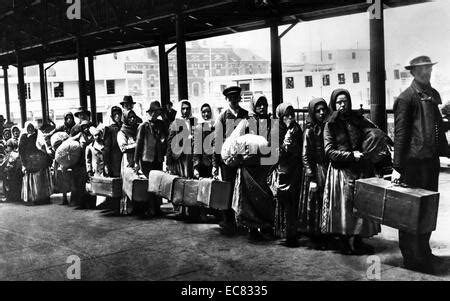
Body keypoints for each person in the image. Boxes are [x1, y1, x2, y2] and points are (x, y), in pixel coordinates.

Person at [392, 56, 449, 274]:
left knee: (428, 210)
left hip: (430, 162)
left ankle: (423, 251)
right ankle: (411, 257)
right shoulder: (406, 99)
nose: (426, 72)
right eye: (422, 69)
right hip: (412, 165)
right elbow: (400, 135)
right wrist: (398, 167)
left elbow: (438, 128)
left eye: (428, 68)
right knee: (410, 211)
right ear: (413, 72)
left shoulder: (432, 95)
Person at [322, 89, 380, 255]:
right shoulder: (330, 123)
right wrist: (350, 155)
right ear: (334, 104)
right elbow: (329, 151)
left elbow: (372, 133)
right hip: (341, 171)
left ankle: (359, 240)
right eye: (339, 102)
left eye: (345, 101)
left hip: (360, 169)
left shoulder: (358, 120)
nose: (342, 105)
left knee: (361, 206)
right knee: (345, 208)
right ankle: (344, 242)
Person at [232, 95, 275, 242]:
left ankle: (265, 226)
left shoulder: (271, 123)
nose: (262, 108)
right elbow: (237, 142)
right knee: (249, 198)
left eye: (264, 104)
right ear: (253, 106)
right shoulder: (246, 123)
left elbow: (273, 142)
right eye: (259, 105)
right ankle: (252, 228)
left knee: (265, 196)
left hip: (264, 166)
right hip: (249, 167)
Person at [213, 86, 249, 235]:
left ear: (239, 98)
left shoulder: (245, 114)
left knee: (241, 189)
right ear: (227, 99)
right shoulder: (222, 117)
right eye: (231, 98)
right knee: (228, 189)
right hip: (226, 160)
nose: (234, 100)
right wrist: (216, 164)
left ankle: (242, 220)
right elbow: (217, 142)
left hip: (242, 159)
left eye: (236, 97)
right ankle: (228, 221)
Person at [298, 98, 331, 250]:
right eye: (318, 111)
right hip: (316, 170)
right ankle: (316, 236)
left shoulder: (328, 127)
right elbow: (305, 156)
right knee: (315, 203)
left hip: (327, 168)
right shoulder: (310, 130)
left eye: (323, 109)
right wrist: (311, 176)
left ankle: (326, 233)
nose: (322, 113)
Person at [269, 103, 303, 247]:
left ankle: (292, 233)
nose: (290, 117)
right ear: (280, 116)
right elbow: (276, 152)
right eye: (286, 115)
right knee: (283, 202)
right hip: (282, 170)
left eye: (292, 114)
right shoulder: (276, 130)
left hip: (295, 169)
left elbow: (301, 147)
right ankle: (283, 232)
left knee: (293, 202)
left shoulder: (297, 128)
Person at [166, 100, 199, 221]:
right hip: (180, 158)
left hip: (191, 157)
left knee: (191, 182)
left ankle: (190, 209)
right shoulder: (175, 123)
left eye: (187, 108)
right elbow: (170, 142)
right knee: (181, 182)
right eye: (183, 109)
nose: (185, 111)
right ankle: (181, 210)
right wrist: (169, 162)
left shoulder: (194, 121)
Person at [135, 101, 168, 216]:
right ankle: (151, 208)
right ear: (150, 112)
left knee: (157, 183)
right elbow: (138, 145)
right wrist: (136, 162)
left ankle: (157, 207)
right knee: (150, 183)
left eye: (158, 112)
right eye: (154, 112)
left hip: (157, 159)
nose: (155, 114)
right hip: (146, 159)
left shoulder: (161, 124)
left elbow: (166, 137)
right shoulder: (143, 126)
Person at [18, 122, 53, 205]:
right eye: (28, 128)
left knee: (40, 179)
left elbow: (43, 147)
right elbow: (21, 150)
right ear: (26, 128)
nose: (30, 129)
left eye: (32, 127)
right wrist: (24, 163)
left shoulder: (38, 135)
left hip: (39, 159)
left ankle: (43, 198)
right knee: (31, 179)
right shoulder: (23, 137)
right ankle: (32, 198)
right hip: (29, 160)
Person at [69, 120, 95, 209]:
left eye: (87, 127)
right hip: (80, 162)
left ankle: (91, 203)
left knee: (91, 182)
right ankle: (80, 203)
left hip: (91, 161)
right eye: (84, 127)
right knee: (80, 184)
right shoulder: (80, 135)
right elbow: (70, 140)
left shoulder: (93, 135)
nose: (86, 129)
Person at [117, 109, 139, 214]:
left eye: (133, 117)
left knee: (138, 184)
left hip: (138, 161)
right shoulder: (122, 132)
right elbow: (123, 148)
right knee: (128, 184)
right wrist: (137, 145)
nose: (132, 119)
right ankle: (127, 208)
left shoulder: (138, 129)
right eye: (129, 117)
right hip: (128, 161)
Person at [103, 106, 123, 178]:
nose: (117, 116)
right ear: (112, 117)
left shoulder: (125, 127)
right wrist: (106, 164)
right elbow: (106, 148)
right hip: (114, 160)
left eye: (119, 114)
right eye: (115, 114)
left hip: (125, 157)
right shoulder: (109, 129)